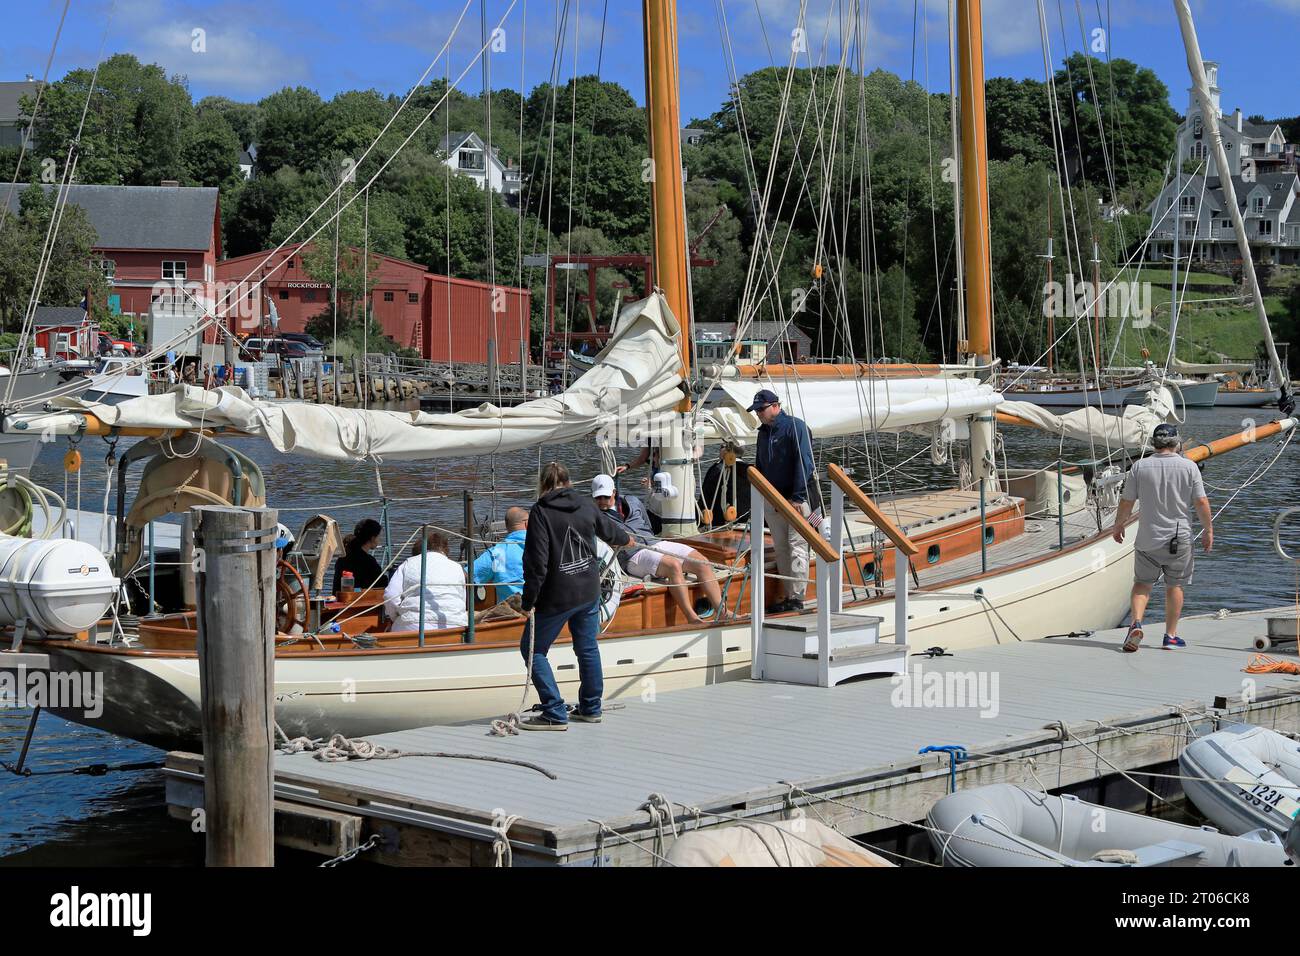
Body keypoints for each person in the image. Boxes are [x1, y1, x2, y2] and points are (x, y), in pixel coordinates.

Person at [518, 462, 634, 731]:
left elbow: (537, 563)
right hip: (588, 590)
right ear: (568, 482)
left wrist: (528, 601)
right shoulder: (585, 504)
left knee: (532, 649)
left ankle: (554, 711)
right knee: (587, 648)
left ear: (543, 485)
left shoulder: (541, 511)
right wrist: (625, 537)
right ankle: (592, 708)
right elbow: (609, 530)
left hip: (557, 594)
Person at [1112, 422, 1213, 652]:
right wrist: (1208, 530)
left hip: (1148, 538)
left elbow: (1127, 501)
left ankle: (1136, 623)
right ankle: (1171, 636)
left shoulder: (1140, 467)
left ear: (1155, 444)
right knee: (1174, 586)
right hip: (1178, 539)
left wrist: (1119, 525)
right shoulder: (1189, 467)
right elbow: (1201, 502)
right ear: (1176, 443)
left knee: (1142, 584)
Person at [591, 474, 724, 624]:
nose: (602, 501)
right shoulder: (595, 517)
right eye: (598, 498)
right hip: (632, 556)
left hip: (654, 543)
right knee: (673, 565)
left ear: (614, 492)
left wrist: (650, 539)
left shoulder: (633, 501)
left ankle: (723, 611)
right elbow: (601, 546)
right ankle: (692, 618)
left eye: (605, 497)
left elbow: (647, 524)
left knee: (702, 562)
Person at [750, 388, 815, 613]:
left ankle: (797, 597)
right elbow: (759, 466)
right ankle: (789, 595)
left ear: (776, 406)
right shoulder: (763, 433)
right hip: (772, 500)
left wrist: (797, 496)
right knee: (781, 548)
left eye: (762, 409)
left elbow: (804, 462)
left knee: (797, 546)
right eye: (757, 410)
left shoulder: (795, 427)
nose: (759, 413)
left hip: (793, 500)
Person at [383, 530, 468, 633]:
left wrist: (395, 617)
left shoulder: (408, 563)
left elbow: (390, 595)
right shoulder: (457, 567)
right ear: (445, 550)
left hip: (412, 625)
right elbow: (462, 600)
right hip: (455, 625)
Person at [472, 506, 529, 600]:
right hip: (544, 610)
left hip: (512, 612)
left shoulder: (498, 552)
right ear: (527, 524)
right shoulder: (543, 546)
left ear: (507, 527)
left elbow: (469, 575)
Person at [332, 518, 388, 594]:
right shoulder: (368, 561)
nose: (379, 540)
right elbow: (382, 583)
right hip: (358, 601)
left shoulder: (343, 557)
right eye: (379, 537)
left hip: (339, 599)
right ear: (373, 538)